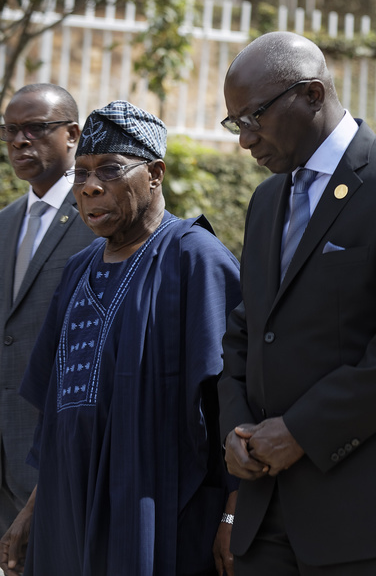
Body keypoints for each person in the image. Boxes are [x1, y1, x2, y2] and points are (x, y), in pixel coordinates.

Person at [218, 31, 376, 576]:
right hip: (269, 507)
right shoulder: (267, 200)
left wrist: (302, 432)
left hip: (370, 510)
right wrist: (236, 430)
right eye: (235, 122)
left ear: (311, 94)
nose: (245, 139)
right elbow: (247, 331)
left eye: (253, 117)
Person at [0, 101, 241, 576]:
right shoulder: (78, 269)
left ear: (154, 174)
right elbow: (57, 414)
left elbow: (235, 399)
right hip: (67, 514)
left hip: (158, 515)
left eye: (110, 170)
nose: (90, 187)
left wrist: (236, 511)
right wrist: (31, 512)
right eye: (81, 174)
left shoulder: (195, 258)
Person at [0, 85, 94, 538]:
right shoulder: (5, 222)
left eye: (35, 128)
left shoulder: (99, 215)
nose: (20, 141)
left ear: (72, 134)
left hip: (60, 458)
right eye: (10, 131)